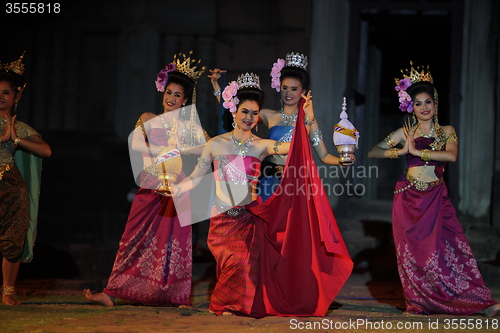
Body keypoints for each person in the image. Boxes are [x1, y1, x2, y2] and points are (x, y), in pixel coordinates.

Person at [165, 72, 353, 317]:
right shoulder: (215, 144)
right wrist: (177, 187)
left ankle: (232, 306)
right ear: (234, 111)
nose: (250, 118)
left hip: (248, 217)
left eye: (255, 113)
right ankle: (231, 304)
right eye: (245, 111)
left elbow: (295, 145)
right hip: (220, 218)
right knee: (229, 263)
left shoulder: (261, 145)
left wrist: (308, 120)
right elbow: (197, 175)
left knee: (242, 263)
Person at [367, 63, 499, 317]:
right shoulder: (405, 132)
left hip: (436, 197)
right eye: (418, 103)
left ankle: (482, 302)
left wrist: (419, 152)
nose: (424, 107)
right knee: (411, 255)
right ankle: (417, 304)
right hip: (408, 199)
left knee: (455, 249)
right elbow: (373, 151)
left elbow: (451, 156)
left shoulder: (446, 131)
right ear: (411, 107)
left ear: (435, 104)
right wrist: (401, 151)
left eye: (428, 102)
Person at [84, 52, 209, 307]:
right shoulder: (147, 118)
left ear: (185, 100)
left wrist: (183, 147)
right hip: (151, 184)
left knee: (175, 241)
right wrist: (167, 149)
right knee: (133, 237)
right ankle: (111, 292)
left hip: (176, 187)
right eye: (169, 93)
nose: (171, 98)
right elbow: (137, 145)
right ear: (162, 93)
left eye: (177, 95)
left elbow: (208, 147)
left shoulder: (188, 128)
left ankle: (177, 295)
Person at [210, 52, 354, 201]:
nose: (288, 93)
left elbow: (324, 156)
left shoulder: (309, 120)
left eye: (294, 89)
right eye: (285, 88)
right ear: (279, 87)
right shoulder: (269, 115)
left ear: (303, 92)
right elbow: (237, 112)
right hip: (269, 181)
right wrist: (216, 86)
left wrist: (342, 159)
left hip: (295, 183)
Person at [0, 53, 52, 305]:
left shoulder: (19, 127)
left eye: (6, 92)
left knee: (13, 236)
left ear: (16, 97)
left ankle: (8, 292)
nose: (1, 96)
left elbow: (46, 150)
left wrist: (16, 140)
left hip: (10, 187)